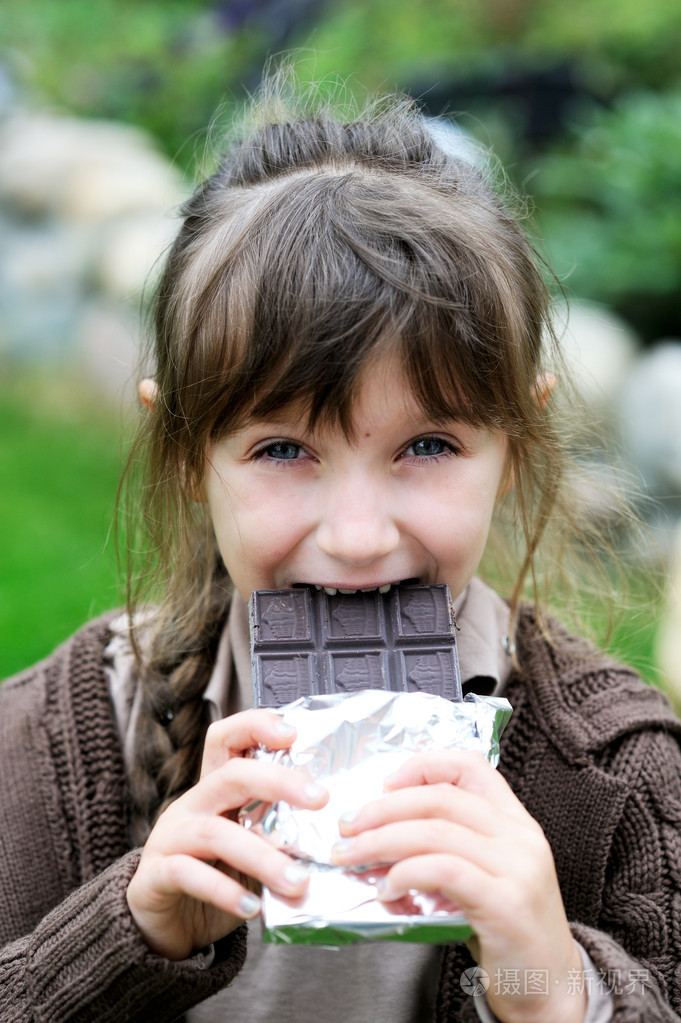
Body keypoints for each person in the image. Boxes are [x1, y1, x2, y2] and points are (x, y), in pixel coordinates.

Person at [2, 77, 680, 1023]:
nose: (357, 537)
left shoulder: (619, 777)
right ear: (189, 451)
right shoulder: (51, 742)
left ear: (515, 443)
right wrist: (125, 933)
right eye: (282, 450)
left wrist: (552, 988)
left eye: (427, 446)